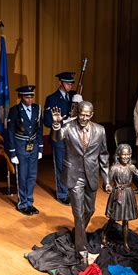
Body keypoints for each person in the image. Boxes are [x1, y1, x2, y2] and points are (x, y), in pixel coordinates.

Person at [51, 101, 111, 260]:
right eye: (81, 114)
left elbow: (104, 155)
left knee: (90, 210)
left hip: (91, 175)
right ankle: (81, 250)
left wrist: (107, 179)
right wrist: (56, 125)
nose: (83, 118)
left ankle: (78, 232)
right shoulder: (69, 127)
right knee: (78, 213)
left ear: (92, 115)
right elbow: (57, 138)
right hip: (74, 175)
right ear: (77, 113)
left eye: (87, 115)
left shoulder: (100, 130)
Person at [102, 144, 138, 252]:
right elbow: (107, 182)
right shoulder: (114, 168)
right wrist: (107, 186)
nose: (126, 157)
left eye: (128, 154)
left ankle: (125, 243)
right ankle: (104, 235)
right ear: (119, 155)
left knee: (125, 220)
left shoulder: (131, 167)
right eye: (124, 154)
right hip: (117, 195)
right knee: (113, 218)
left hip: (127, 194)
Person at [7, 85, 44, 216]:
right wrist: (12, 152)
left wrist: (40, 148)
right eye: (27, 97)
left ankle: (30, 201)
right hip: (20, 146)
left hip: (33, 146)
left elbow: (39, 129)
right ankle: (22, 203)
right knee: (22, 176)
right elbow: (10, 132)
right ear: (21, 97)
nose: (30, 99)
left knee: (32, 176)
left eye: (31, 96)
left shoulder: (37, 108)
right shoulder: (15, 110)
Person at [44, 72, 78, 205]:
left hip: (73, 136)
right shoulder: (52, 99)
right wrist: (61, 122)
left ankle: (72, 190)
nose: (70, 85)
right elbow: (47, 121)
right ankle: (62, 193)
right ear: (60, 83)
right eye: (67, 83)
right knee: (61, 167)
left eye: (71, 83)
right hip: (59, 137)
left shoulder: (74, 97)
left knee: (73, 166)